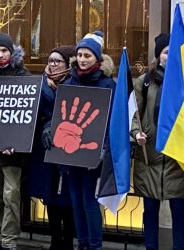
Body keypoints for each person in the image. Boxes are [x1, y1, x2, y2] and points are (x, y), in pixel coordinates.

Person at [52, 31, 115, 250]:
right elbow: (58, 114)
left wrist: (102, 149)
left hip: (92, 155)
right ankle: (83, 244)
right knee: (75, 202)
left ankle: (95, 246)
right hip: (69, 153)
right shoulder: (70, 80)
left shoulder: (108, 84)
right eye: (79, 55)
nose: (82, 59)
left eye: (87, 55)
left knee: (89, 203)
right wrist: (48, 132)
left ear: (97, 58)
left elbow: (112, 122)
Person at [131, 33, 184, 250]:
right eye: (165, 52)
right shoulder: (144, 82)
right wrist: (136, 133)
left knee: (180, 214)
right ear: (158, 56)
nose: (169, 56)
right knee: (150, 212)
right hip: (149, 158)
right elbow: (134, 113)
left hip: (176, 160)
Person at [0, 33, 30, 250]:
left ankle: (9, 242)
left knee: (11, 197)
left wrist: (17, 142)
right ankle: (0, 238)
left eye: (4, 51)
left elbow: (29, 116)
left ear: (12, 52)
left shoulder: (24, 77)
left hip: (13, 153)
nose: (0, 55)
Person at [27, 46, 76, 250]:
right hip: (44, 147)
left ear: (68, 65)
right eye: (51, 60)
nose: (53, 64)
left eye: (58, 61)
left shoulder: (73, 84)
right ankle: (55, 239)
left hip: (67, 148)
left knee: (68, 197)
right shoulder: (39, 84)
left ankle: (68, 240)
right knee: (50, 196)